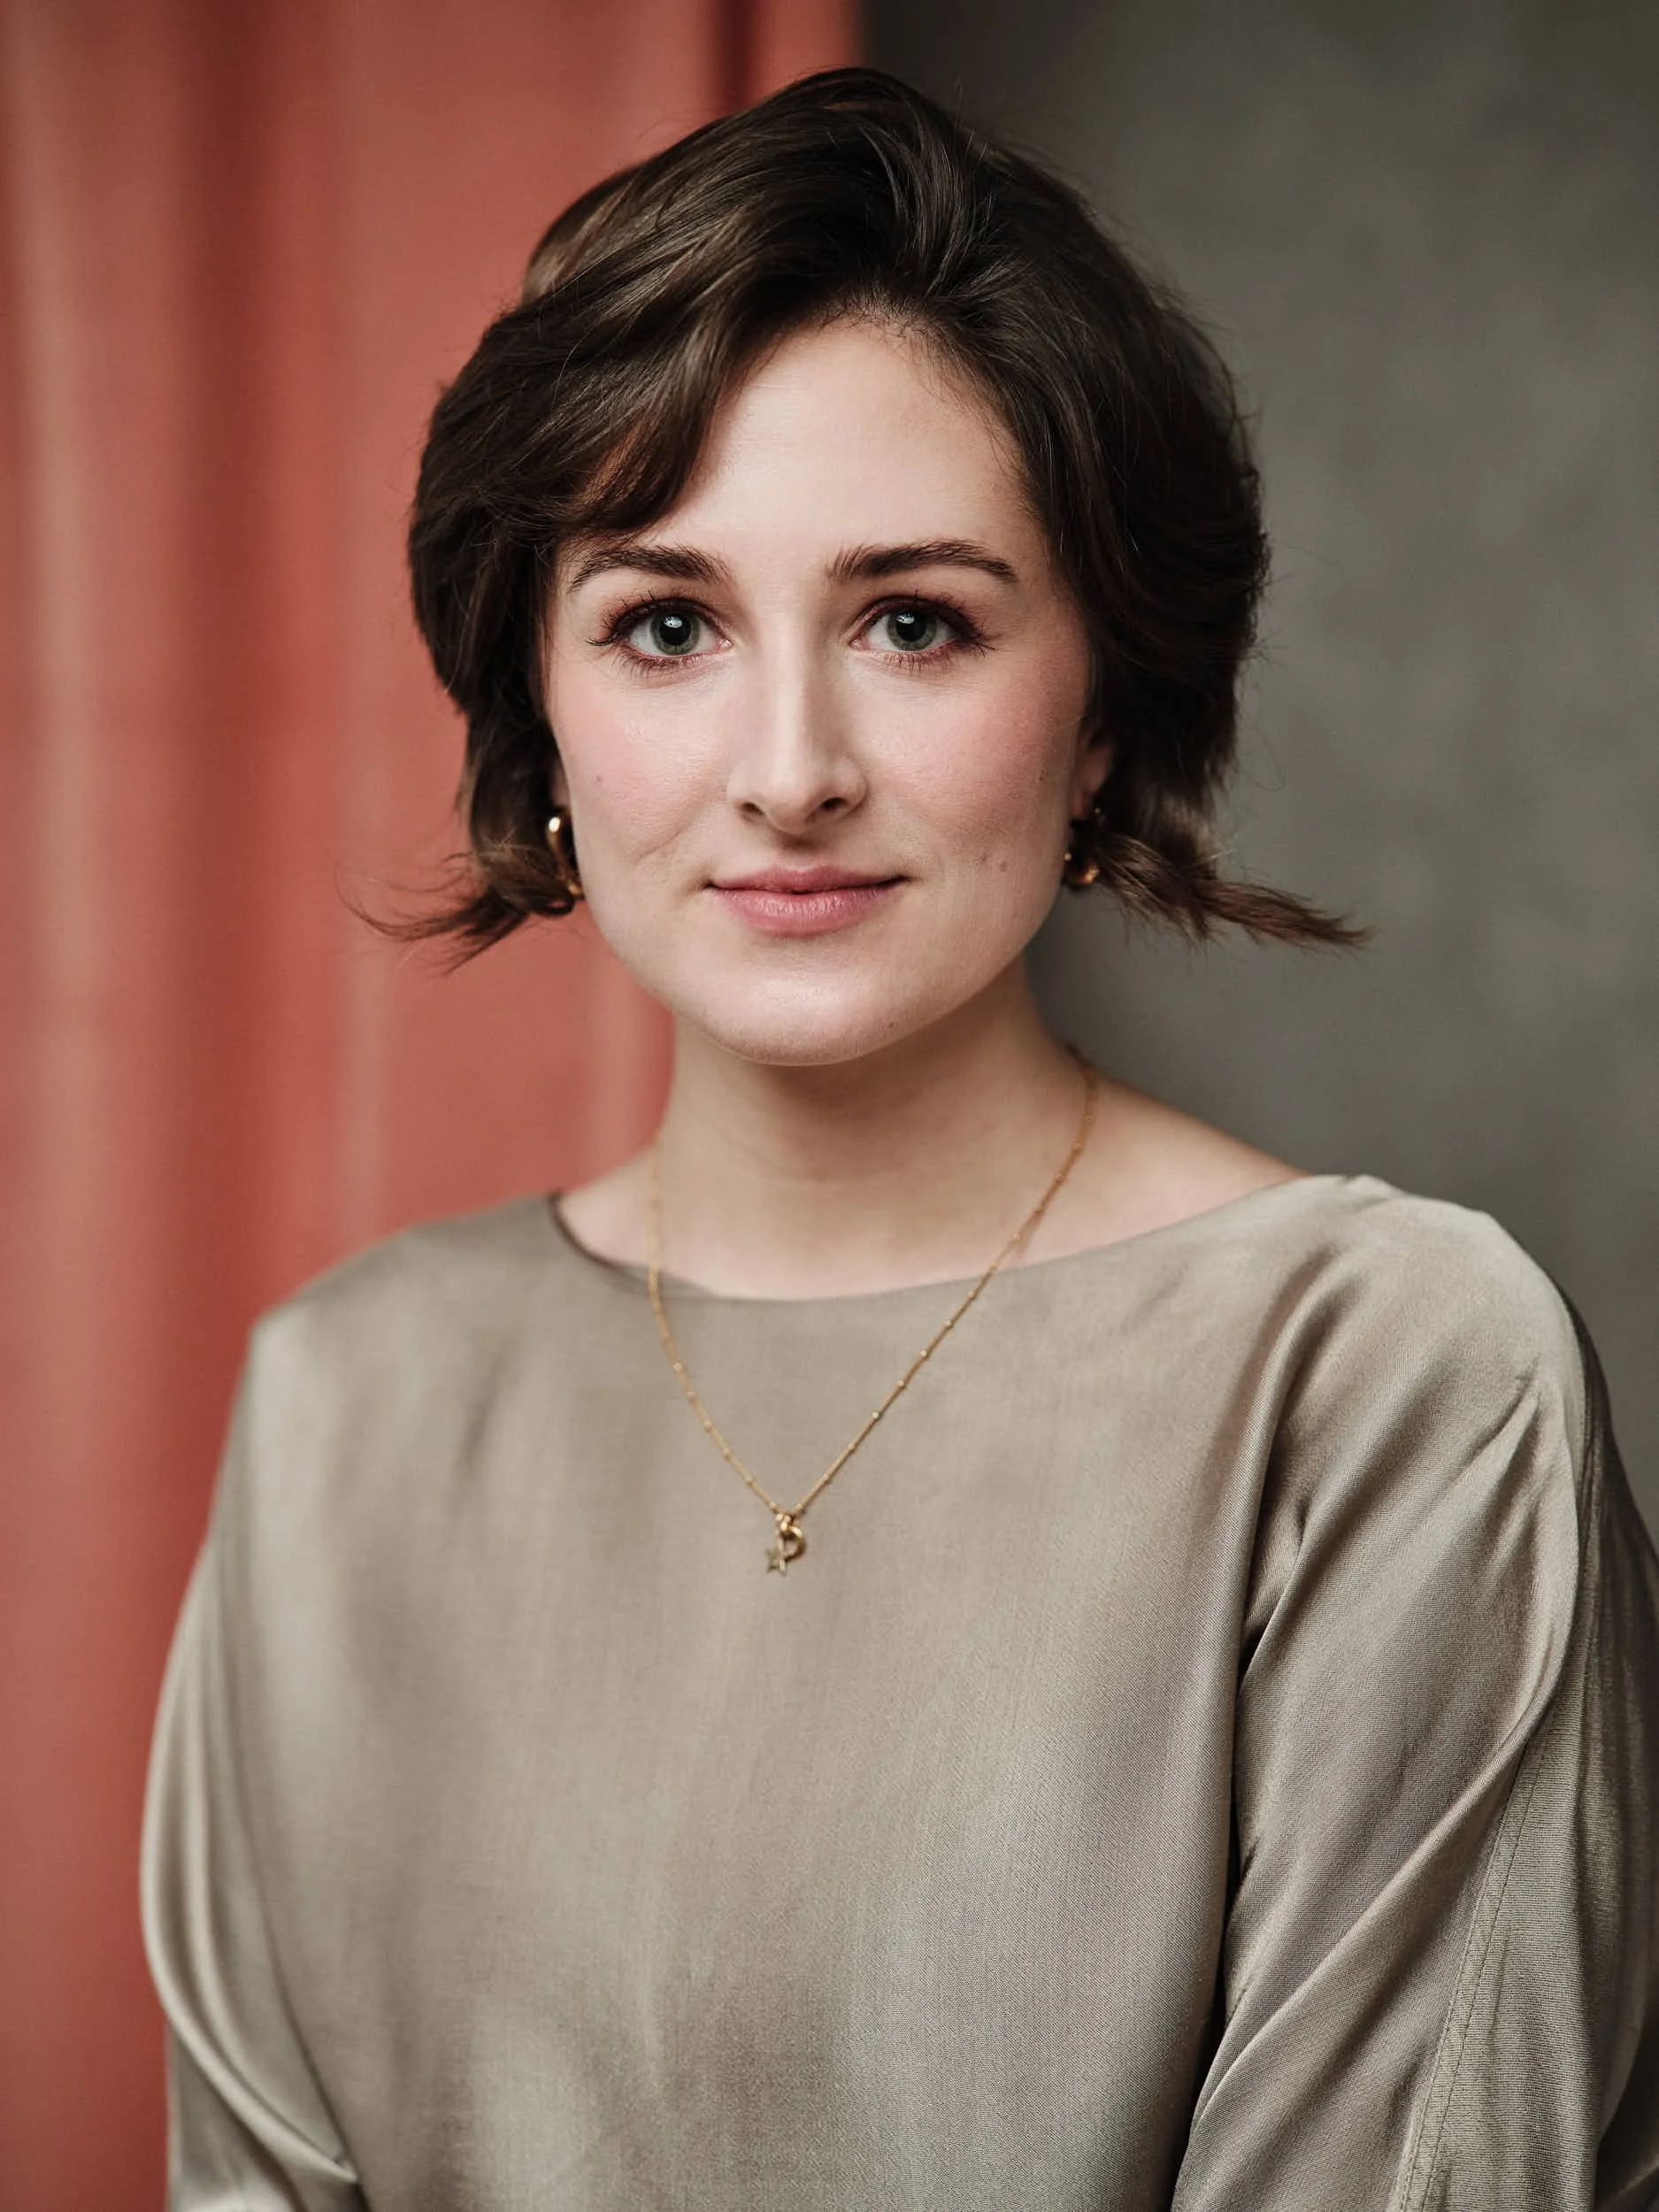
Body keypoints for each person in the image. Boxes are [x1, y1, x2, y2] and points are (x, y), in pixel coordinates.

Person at [141, 66, 1659, 2211]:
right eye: (666, 624)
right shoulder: (341, 1405)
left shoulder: (1389, 1379)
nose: (788, 767)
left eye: (914, 620)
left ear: (1106, 702)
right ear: (538, 716)